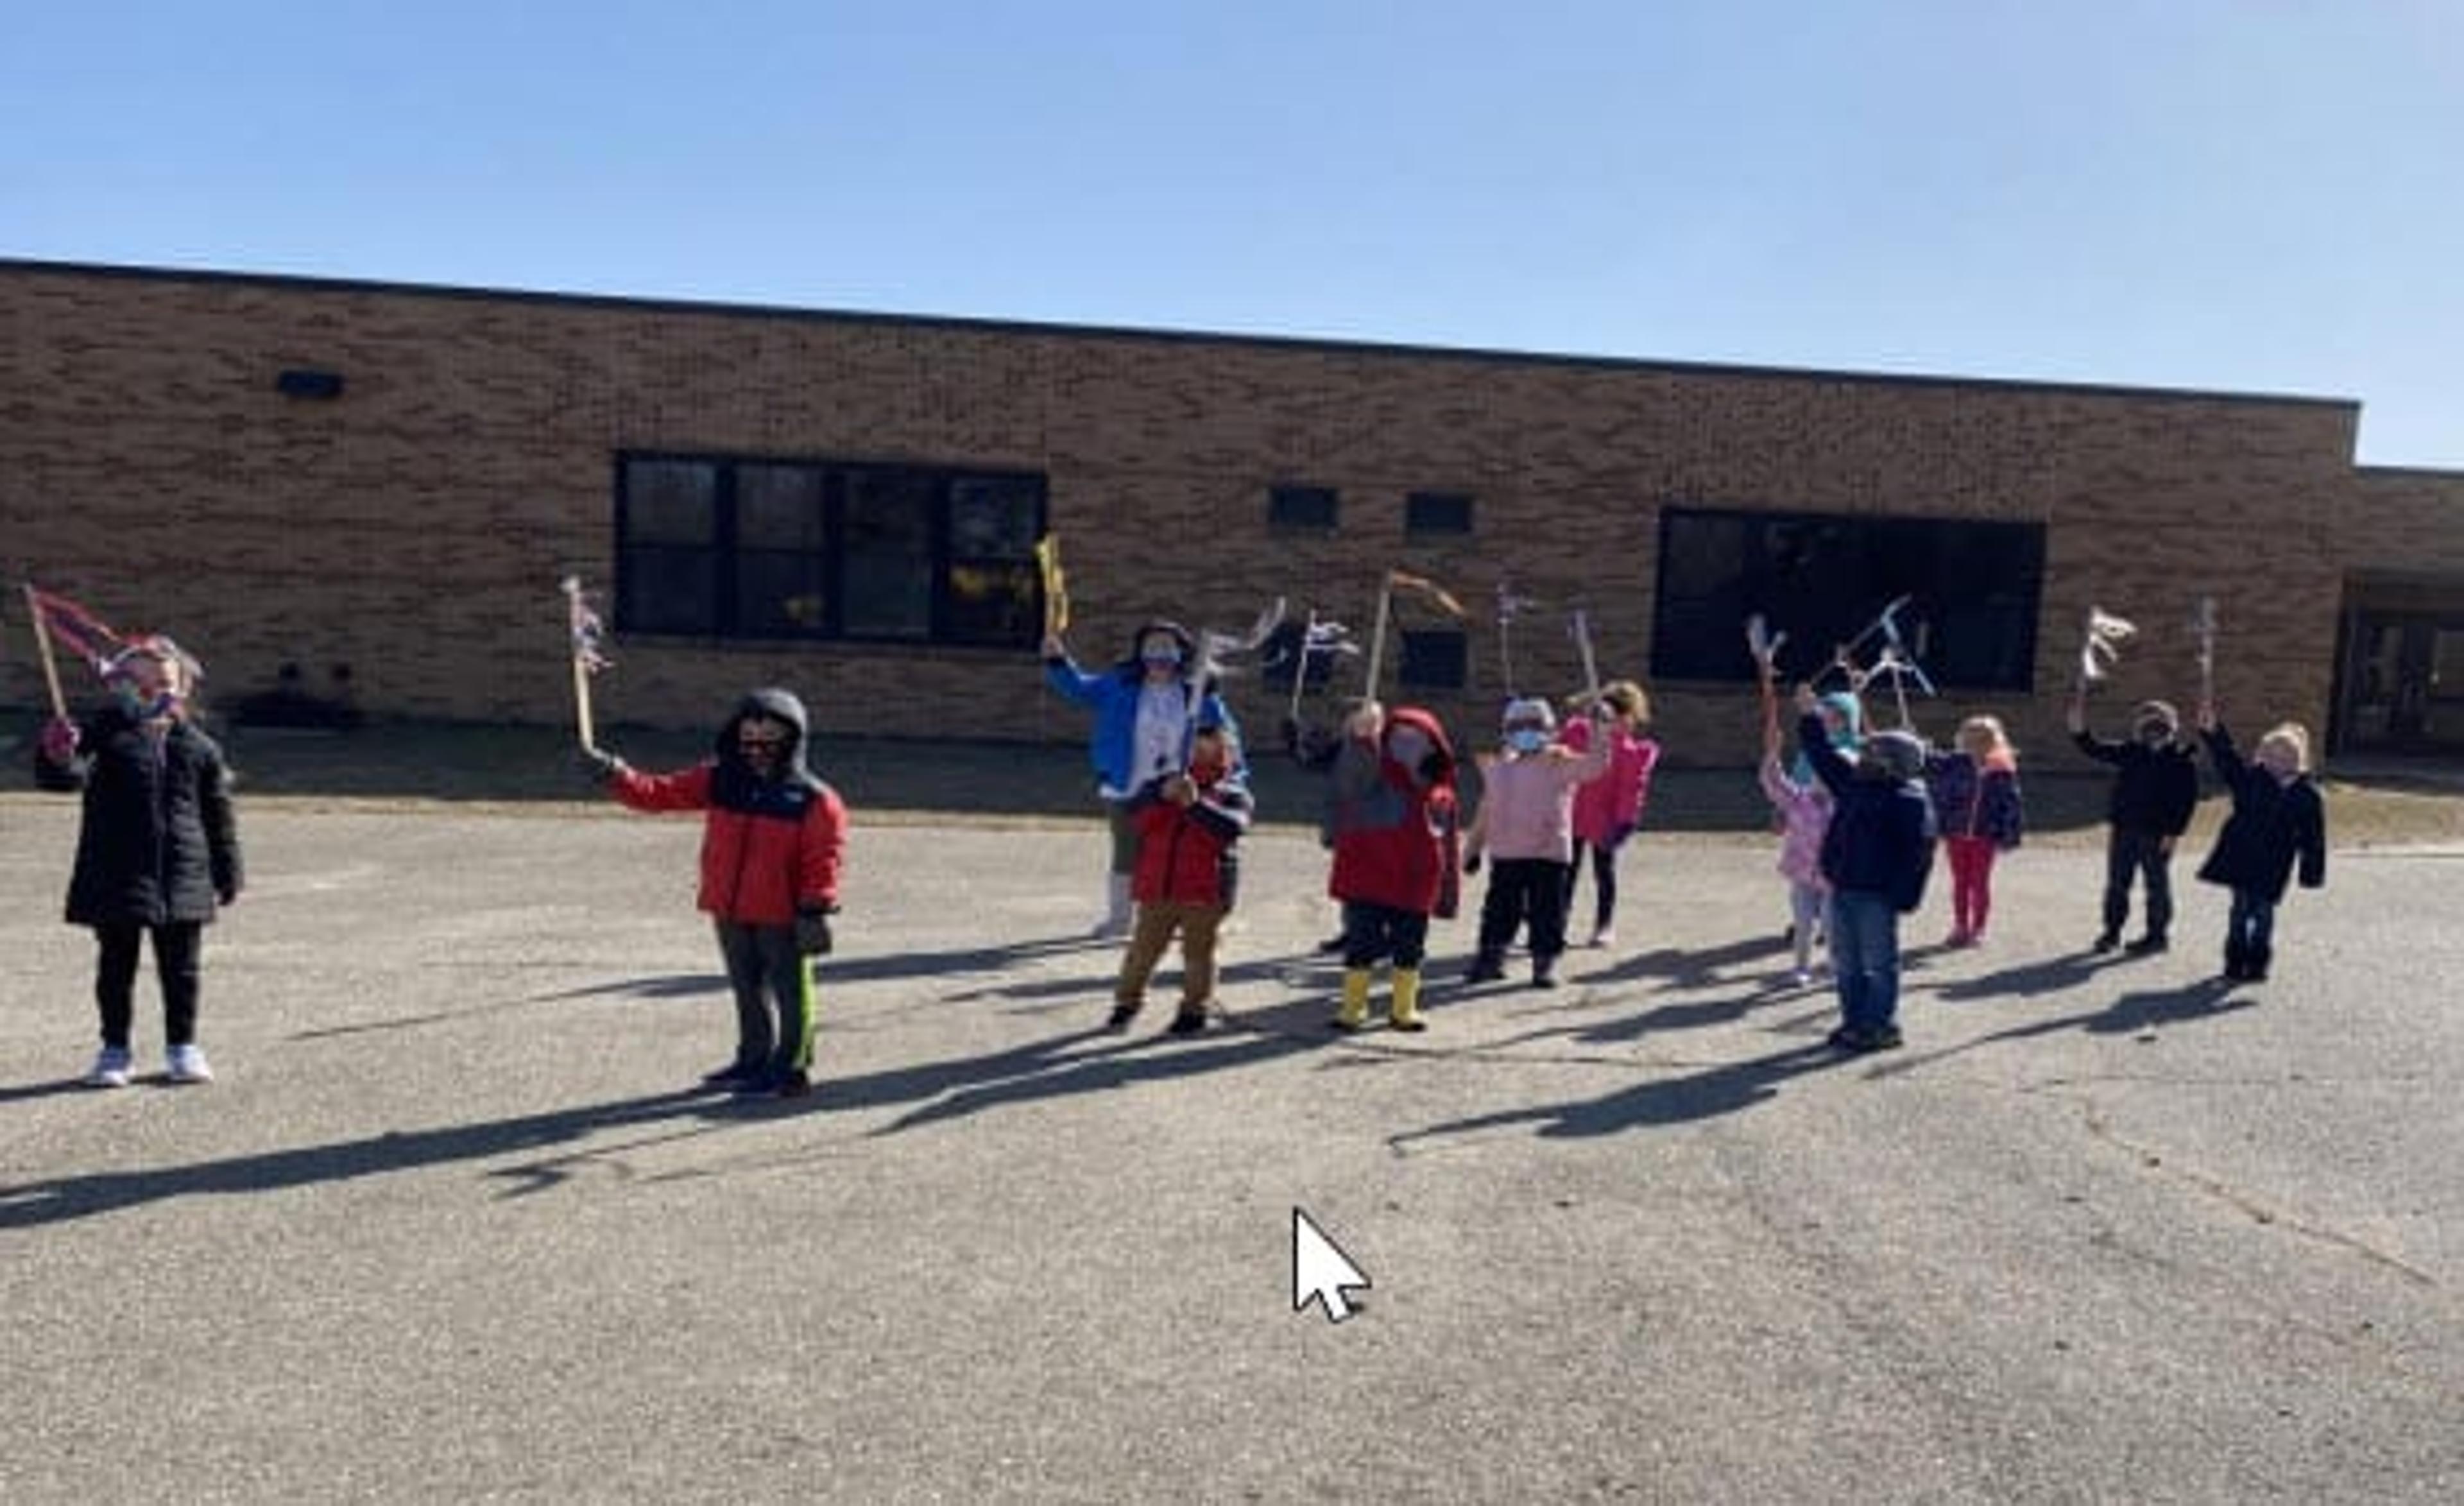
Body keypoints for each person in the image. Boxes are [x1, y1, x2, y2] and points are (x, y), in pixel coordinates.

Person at [590, 689, 846, 1097]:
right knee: (746, 988)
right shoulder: (719, 779)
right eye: (749, 738)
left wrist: (815, 910)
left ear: (792, 739)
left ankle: (791, 1069)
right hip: (729, 906)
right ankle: (753, 1059)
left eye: (769, 739)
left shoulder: (815, 800)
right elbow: (659, 793)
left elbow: (824, 859)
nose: (757, 748)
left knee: (791, 992)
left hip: (783, 913)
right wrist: (615, 775)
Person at [34, 637, 243, 1088]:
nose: (152, 692)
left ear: (183, 687)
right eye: (139, 682)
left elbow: (218, 813)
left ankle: (183, 1046)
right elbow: (68, 777)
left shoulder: (199, 747)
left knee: (182, 969)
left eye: (163, 682)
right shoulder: (104, 734)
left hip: (183, 872)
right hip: (116, 869)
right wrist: (58, 754)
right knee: (116, 965)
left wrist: (228, 871)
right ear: (121, 686)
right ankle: (114, 1049)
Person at [1043, 622, 1239, 938]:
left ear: (1180, 652)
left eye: (1167, 646)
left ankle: (1175, 917)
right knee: (1126, 851)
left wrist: (1231, 778)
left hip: (1178, 786)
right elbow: (1079, 688)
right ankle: (1120, 919)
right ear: (1140, 652)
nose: (1159, 654)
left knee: (1176, 852)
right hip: (1127, 783)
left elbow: (1226, 740)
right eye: (1151, 646)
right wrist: (1057, 660)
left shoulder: (1197, 692)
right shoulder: (1119, 683)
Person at [1796, 684, 1935, 1052]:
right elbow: (1821, 754)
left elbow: (1918, 855)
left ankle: (1881, 1025)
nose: (1864, 756)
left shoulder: (1910, 801)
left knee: (1879, 964)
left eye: (1873, 752)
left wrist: (1905, 896)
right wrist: (1810, 717)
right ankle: (1855, 1023)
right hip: (1843, 885)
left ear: (1892, 761)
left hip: (1878, 895)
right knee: (1846, 963)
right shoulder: (1854, 784)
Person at [1109, 720, 1253, 1035]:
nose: (1201, 751)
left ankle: (1194, 1009)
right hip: (1159, 885)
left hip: (1205, 890)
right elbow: (1138, 821)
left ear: (1224, 751)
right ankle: (1127, 1003)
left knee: (1199, 955)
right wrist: (1162, 797)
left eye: (1210, 745)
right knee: (1142, 952)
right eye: (1196, 745)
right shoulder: (1161, 784)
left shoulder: (1232, 793)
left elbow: (1229, 830)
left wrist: (1195, 805)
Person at [1327, 701, 1462, 1032]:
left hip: (1416, 884)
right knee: (1362, 944)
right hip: (1368, 879)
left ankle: (1404, 1008)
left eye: (1418, 739)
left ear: (1434, 745)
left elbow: (1448, 846)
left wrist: (1448, 892)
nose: (1408, 745)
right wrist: (1360, 739)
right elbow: (1350, 779)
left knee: (1410, 947)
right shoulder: (1373, 775)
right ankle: (1353, 1007)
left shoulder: (1442, 793)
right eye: (1399, 737)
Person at [1462, 697, 1611, 989]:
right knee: (1499, 910)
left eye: (1534, 726)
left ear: (1550, 730)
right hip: (1507, 853)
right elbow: (1486, 810)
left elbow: (1596, 766)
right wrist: (1473, 849)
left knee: (1547, 912)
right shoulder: (1499, 768)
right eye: (1518, 727)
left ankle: (1545, 962)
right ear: (1506, 731)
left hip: (1549, 853)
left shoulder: (1561, 763)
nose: (1526, 732)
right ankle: (1491, 957)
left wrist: (1600, 730)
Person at [2194, 705, 2326, 982]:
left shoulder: (2307, 795)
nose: (2279, 763)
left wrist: (2311, 872)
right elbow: (2227, 760)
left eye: (2287, 757)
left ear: (2299, 760)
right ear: (2263, 758)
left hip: (2275, 863)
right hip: (2243, 857)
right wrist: (2213, 732)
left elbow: (2313, 837)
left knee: (2263, 914)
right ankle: (2234, 963)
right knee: (2240, 911)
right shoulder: (2251, 781)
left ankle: (2257, 965)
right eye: (2273, 756)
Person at [2067, 690, 2201, 955]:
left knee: (2157, 885)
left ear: (2172, 726)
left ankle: (2157, 935)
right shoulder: (2129, 752)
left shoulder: (2182, 759)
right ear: (2138, 727)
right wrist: (2078, 727)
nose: (2153, 727)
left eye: (2160, 721)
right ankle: (2112, 932)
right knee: (2118, 882)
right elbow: (2093, 747)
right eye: (2147, 721)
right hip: (2125, 828)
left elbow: (2186, 801)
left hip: (2159, 833)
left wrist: (2174, 833)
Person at [1561, 680, 1661, 949]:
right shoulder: (1577, 733)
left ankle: (1604, 925)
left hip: (1604, 819)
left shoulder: (1629, 751)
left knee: (1604, 872)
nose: (1615, 722)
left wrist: (1624, 821)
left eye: (1620, 715)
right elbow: (1559, 758)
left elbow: (1630, 790)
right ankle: (1558, 920)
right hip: (1571, 814)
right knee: (1565, 871)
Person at [1926, 714, 2025, 946]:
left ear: (1989, 742)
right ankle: (1960, 926)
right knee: (1960, 882)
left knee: (1979, 883)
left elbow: (2011, 804)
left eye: (1975, 739)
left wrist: (2010, 835)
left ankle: (1978, 928)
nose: (1967, 743)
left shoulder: (2002, 769)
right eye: (1966, 737)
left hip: (1984, 835)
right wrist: (1915, 741)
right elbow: (1929, 761)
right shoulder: (1955, 762)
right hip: (1956, 832)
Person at [1758, 706, 1833, 988]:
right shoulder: (1798, 799)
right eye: (1817, 776)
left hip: (1834, 877)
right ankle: (1801, 968)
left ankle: (1834, 966)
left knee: (1832, 926)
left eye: (1827, 777)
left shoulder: (1846, 806)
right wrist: (1772, 753)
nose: (1820, 781)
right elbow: (1773, 782)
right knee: (1804, 925)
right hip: (1802, 874)